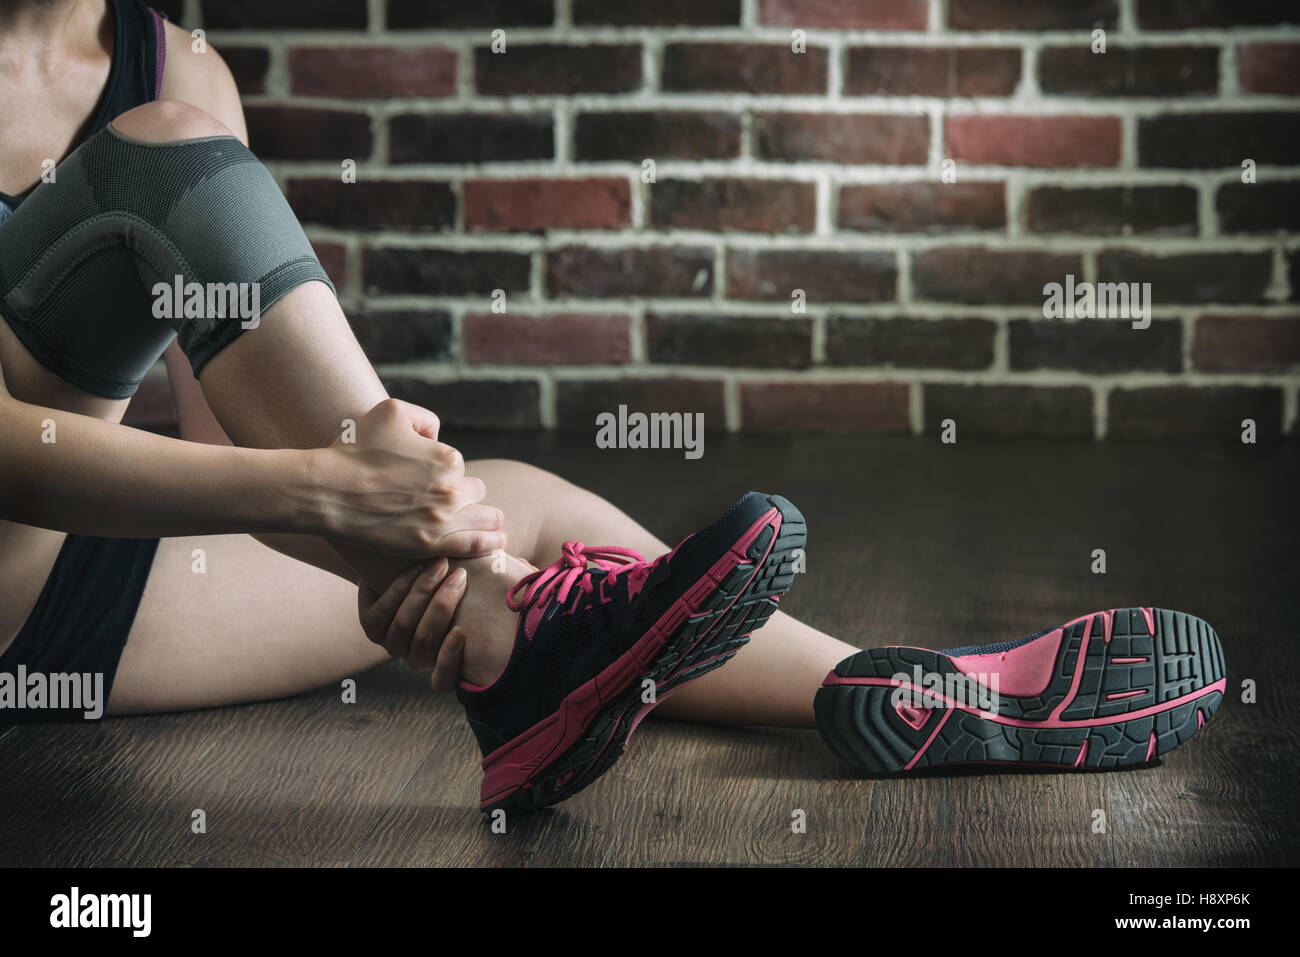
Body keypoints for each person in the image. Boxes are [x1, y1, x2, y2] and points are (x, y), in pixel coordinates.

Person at [0, 0, 1225, 814]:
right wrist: (333, 488)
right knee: (159, 150)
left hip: (69, 593)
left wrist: (393, 532)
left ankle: (919, 692)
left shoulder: (184, 61)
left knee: (520, 510)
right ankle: (507, 639)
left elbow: (238, 453)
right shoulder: (167, 113)